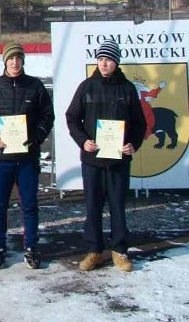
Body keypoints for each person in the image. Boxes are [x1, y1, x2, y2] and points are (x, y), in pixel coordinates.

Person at [65, 39, 146, 272]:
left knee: (118, 206)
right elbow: (72, 117)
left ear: (116, 62)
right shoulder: (87, 87)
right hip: (93, 161)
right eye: (100, 59)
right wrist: (83, 141)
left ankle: (120, 251)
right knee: (93, 206)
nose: (103, 64)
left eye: (108, 60)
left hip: (119, 161)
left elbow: (139, 124)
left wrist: (133, 144)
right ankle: (94, 251)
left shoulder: (127, 88)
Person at [0, 42, 54, 270]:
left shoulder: (35, 86)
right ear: (4, 61)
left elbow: (47, 117)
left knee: (29, 205)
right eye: (10, 59)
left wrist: (36, 137)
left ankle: (31, 247)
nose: (14, 62)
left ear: (23, 60)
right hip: (1, 158)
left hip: (27, 158)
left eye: (18, 58)